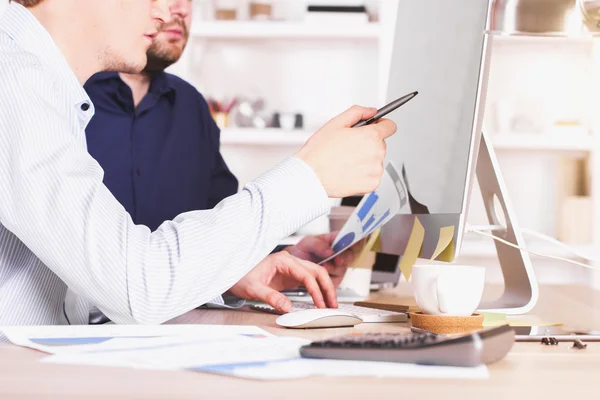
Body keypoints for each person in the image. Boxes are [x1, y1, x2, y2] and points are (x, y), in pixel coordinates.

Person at [0, 0, 396, 334]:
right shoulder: (12, 80)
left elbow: (86, 289)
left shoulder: (38, 84)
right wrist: (308, 177)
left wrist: (224, 276)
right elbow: (137, 288)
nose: (168, 12)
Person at [83, 0, 354, 288]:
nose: (180, 10)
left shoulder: (191, 106)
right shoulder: (69, 100)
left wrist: (285, 257)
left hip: (187, 324)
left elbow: (218, 231)